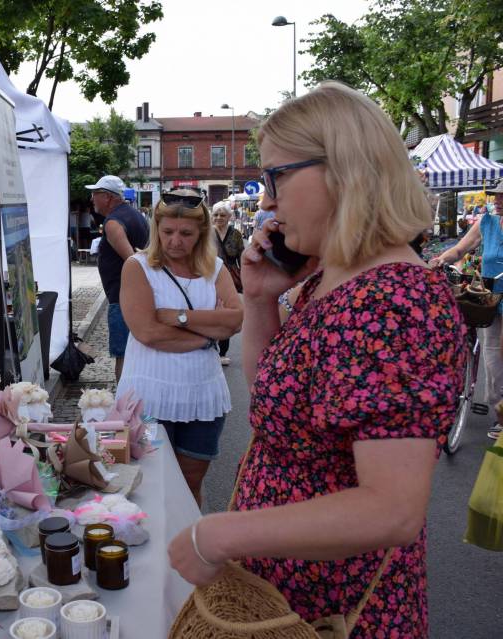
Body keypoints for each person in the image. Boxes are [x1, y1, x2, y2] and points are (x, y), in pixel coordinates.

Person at [168, 82, 466, 638]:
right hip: (292, 597)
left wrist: (218, 535)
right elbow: (275, 400)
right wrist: (260, 299)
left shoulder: (392, 299)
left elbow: (391, 510)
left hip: (338, 610)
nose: (267, 202)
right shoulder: (339, 278)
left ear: (342, 171)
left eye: (276, 177)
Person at [117, 189, 241, 505]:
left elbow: (235, 321)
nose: (175, 241)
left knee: (189, 486)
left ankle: (188, 537)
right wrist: (207, 336)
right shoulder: (138, 267)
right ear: (156, 229)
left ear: (201, 233)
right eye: (168, 231)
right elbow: (148, 332)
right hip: (150, 396)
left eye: (186, 233)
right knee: (148, 487)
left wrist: (178, 317)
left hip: (202, 395)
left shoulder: (215, 268)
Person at [431, 179, 503, 439]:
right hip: (489, 299)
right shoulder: (487, 222)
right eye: (496, 195)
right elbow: (461, 248)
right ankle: (500, 412)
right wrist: (441, 259)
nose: (497, 200)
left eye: (502, 196)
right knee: (493, 361)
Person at [86, 174, 149, 382]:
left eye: (95, 194)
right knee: (138, 353)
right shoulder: (136, 215)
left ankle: (124, 398)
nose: (92, 199)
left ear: (108, 197)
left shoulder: (113, 223)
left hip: (123, 297)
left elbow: (133, 262)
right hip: (136, 296)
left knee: (123, 355)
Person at [211, 201, 244, 365]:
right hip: (209, 276)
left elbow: (241, 258)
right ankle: (209, 347)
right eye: (216, 214)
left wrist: (244, 278)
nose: (219, 218)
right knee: (209, 310)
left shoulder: (236, 234)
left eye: (222, 215)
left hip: (230, 278)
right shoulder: (206, 233)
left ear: (229, 217)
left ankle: (222, 352)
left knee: (226, 313)